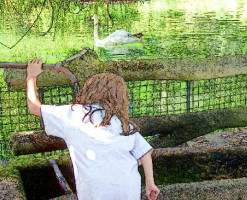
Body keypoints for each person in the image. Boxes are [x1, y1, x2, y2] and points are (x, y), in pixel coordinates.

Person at [26, 60, 160, 200]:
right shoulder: (123, 124)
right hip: (127, 189)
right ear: (120, 97)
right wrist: (150, 183)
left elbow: (34, 107)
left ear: (89, 91)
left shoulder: (73, 115)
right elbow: (144, 152)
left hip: (95, 191)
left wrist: (31, 76)